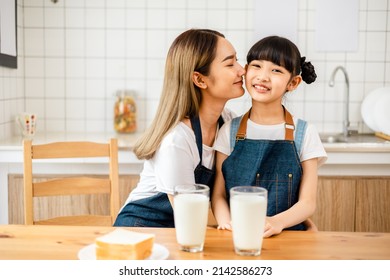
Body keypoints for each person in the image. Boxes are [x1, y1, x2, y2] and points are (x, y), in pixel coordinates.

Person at [114, 29, 246, 227]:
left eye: (237, 60)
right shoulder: (177, 141)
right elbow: (191, 217)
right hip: (142, 229)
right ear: (200, 80)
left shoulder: (227, 122)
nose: (242, 70)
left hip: (183, 229)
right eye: (230, 63)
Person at [211, 36, 327, 237]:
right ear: (246, 71)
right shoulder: (228, 130)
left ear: (293, 83)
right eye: (257, 66)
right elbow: (218, 195)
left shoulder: (305, 133)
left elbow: (308, 203)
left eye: (276, 70)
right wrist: (227, 223)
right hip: (238, 234)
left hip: (288, 237)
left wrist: (275, 223)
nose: (263, 76)